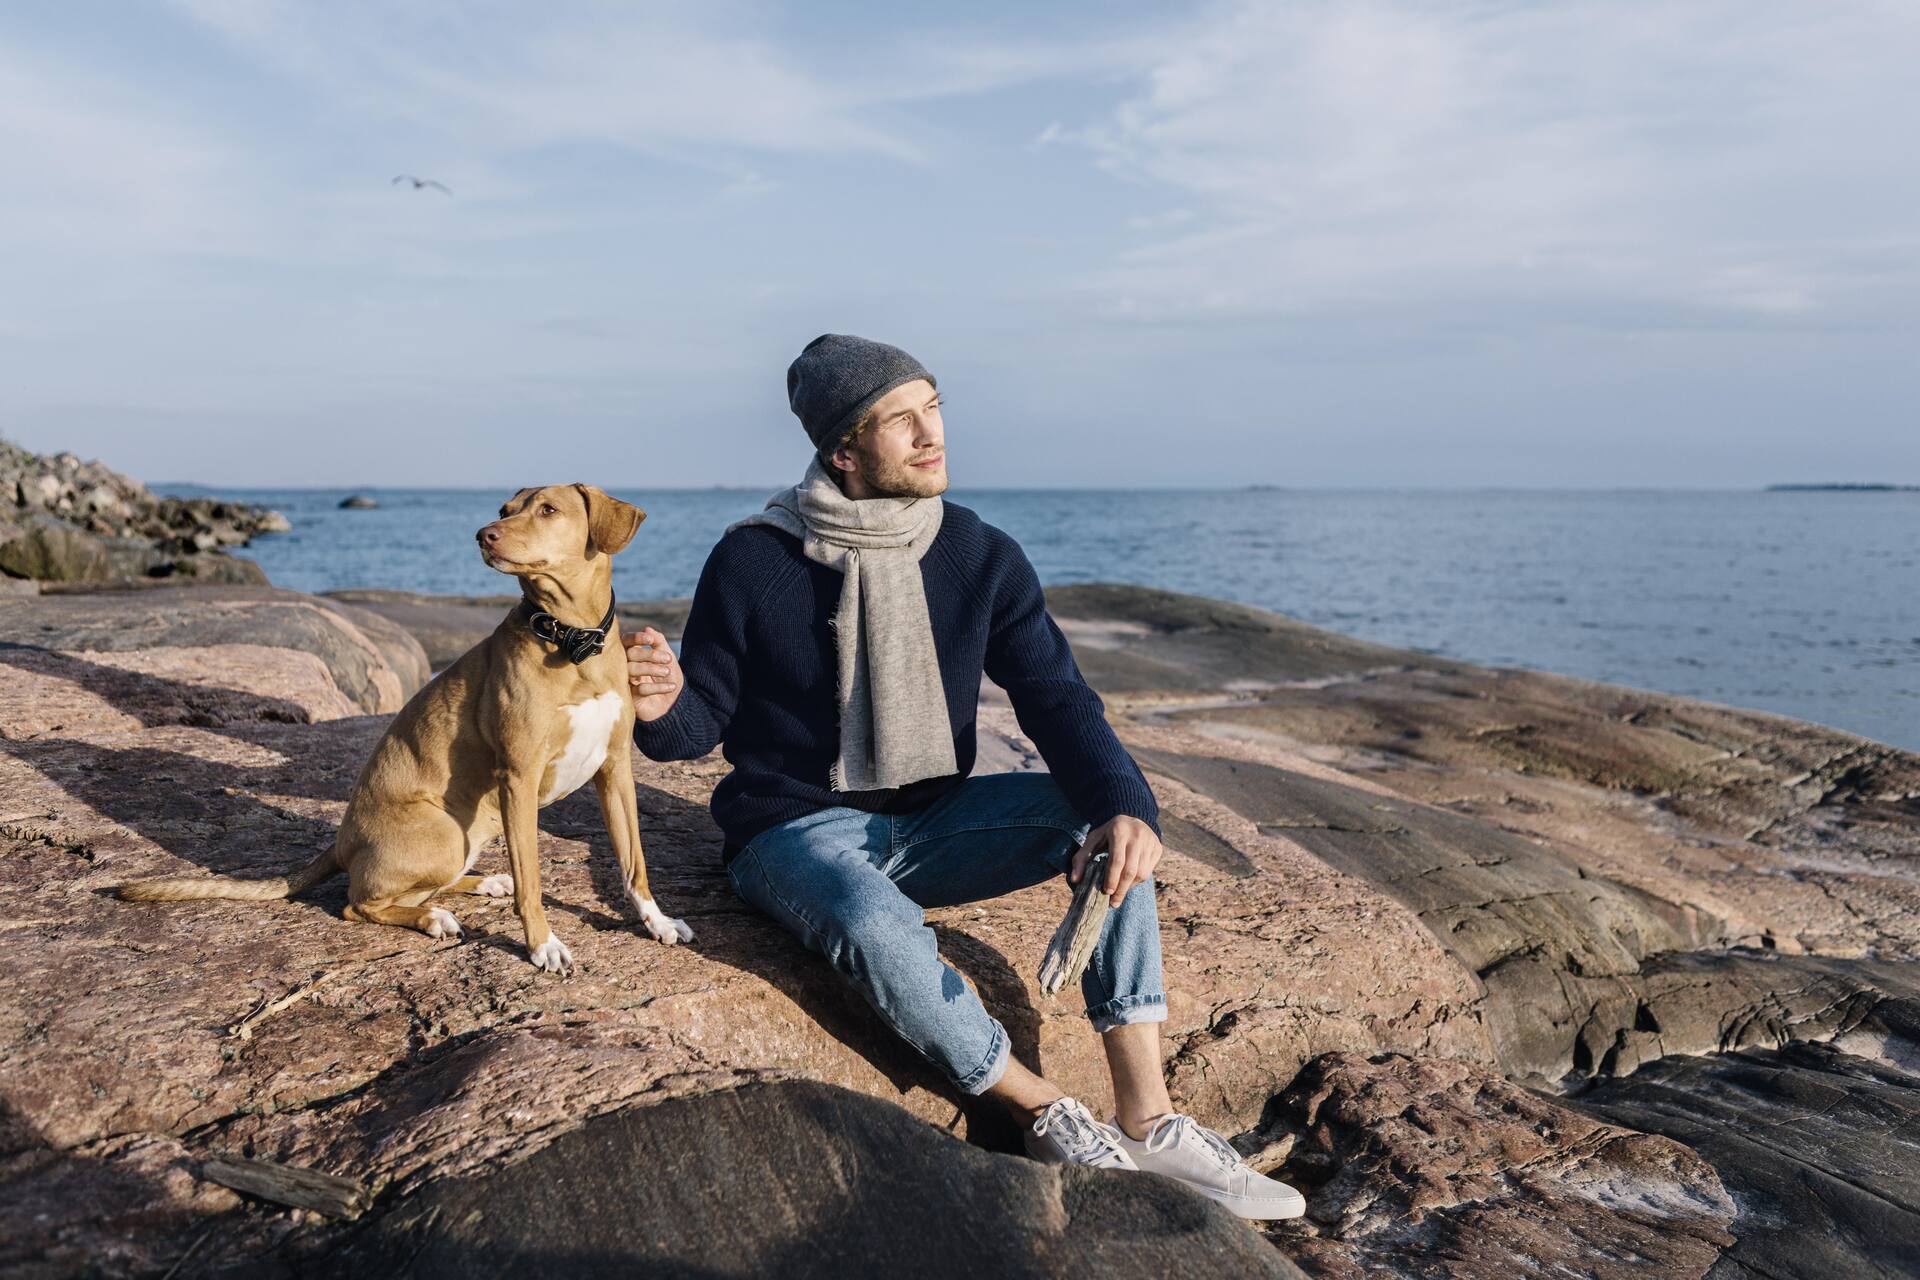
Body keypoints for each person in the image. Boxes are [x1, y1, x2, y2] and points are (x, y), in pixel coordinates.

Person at [623, 334, 1303, 1219]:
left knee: (1105, 829)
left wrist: (1127, 806)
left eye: (933, 407)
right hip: (792, 832)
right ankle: (1041, 1107)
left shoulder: (978, 553)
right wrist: (662, 697)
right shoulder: (753, 560)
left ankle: (1150, 1117)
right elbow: (695, 726)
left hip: (937, 819)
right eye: (900, 420)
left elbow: (1056, 698)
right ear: (843, 451)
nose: (931, 433)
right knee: (873, 921)